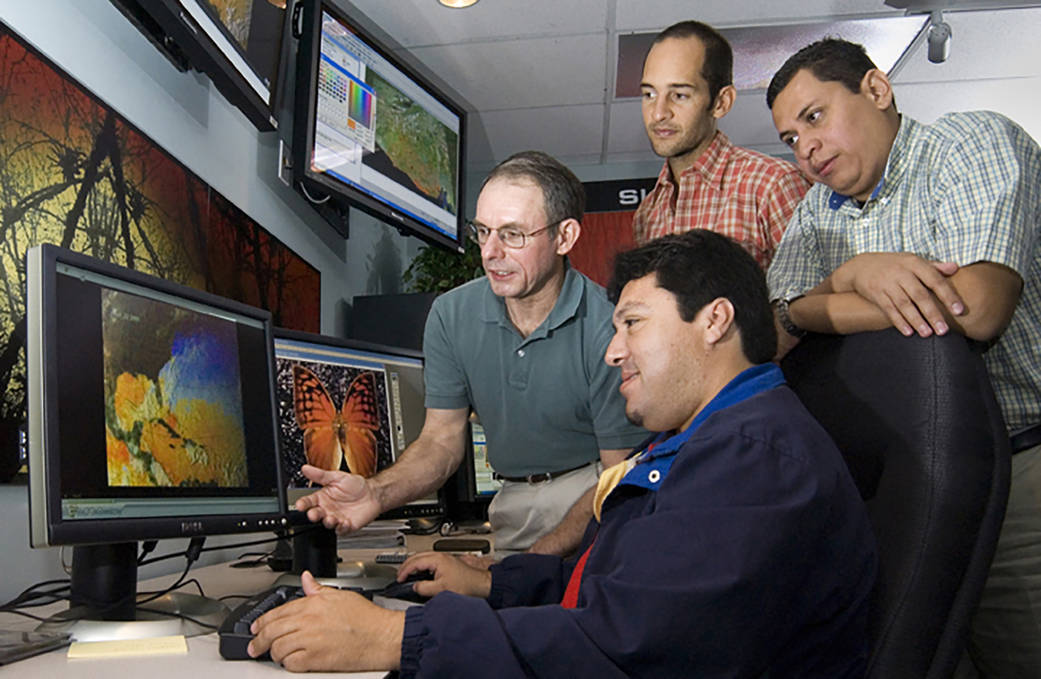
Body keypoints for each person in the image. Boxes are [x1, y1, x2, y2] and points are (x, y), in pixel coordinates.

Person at [248, 229, 878, 677]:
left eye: (632, 323)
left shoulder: (751, 459)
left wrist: (394, 636)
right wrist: (492, 585)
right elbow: (623, 584)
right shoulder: (711, 438)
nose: (613, 352)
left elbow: (622, 648)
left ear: (714, 321)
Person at [765, 38, 1041, 678]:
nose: (804, 148)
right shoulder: (815, 214)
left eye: (814, 116)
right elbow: (772, 337)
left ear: (876, 90)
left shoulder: (967, 145)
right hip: (898, 486)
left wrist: (814, 305)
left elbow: (976, 308)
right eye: (788, 138)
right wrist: (848, 279)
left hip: (1022, 464)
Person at [296, 151, 648, 555]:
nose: (490, 253)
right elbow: (441, 443)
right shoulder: (451, 314)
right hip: (511, 502)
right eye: (483, 231)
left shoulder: (610, 327)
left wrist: (517, 572)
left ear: (564, 237)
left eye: (513, 234)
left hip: (593, 503)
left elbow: (617, 479)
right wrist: (375, 494)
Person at [633, 20, 810, 269]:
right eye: (649, 94)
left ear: (721, 102)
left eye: (679, 95)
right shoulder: (647, 214)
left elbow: (812, 299)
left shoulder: (773, 185)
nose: (659, 113)